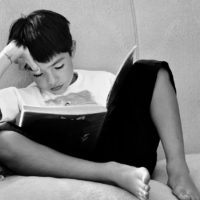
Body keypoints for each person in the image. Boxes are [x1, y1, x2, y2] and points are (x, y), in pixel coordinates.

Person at [0, 9, 199, 200]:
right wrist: (7, 56)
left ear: (73, 49)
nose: (52, 80)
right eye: (38, 73)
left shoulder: (103, 80)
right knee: (3, 139)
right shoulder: (20, 96)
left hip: (123, 154)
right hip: (61, 161)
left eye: (58, 66)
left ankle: (178, 169)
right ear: (26, 67)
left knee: (150, 70)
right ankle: (112, 173)